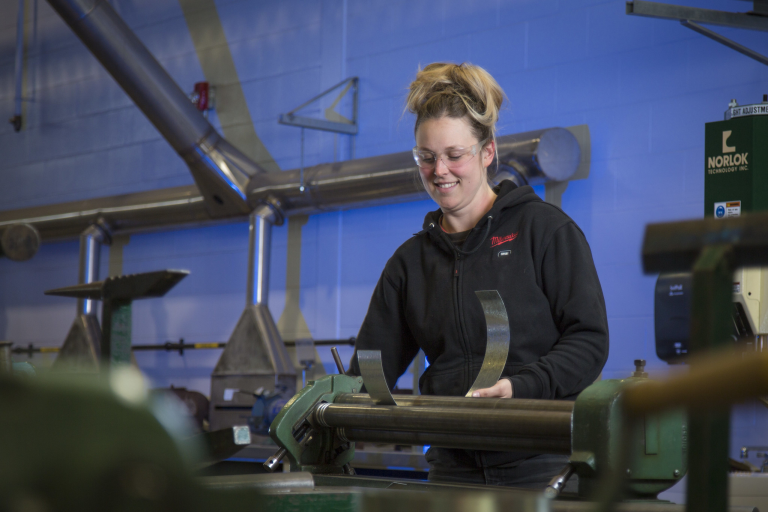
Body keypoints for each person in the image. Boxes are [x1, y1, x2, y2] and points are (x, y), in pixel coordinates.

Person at [348, 62, 609, 488]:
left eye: (454, 155)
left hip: (544, 462)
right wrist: (335, 400)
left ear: (488, 152)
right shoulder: (410, 262)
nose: (440, 171)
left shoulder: (543, 231)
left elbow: (589, 339)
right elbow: (373, 366)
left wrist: (522, 386)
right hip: (453, 469)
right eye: (427, 158)